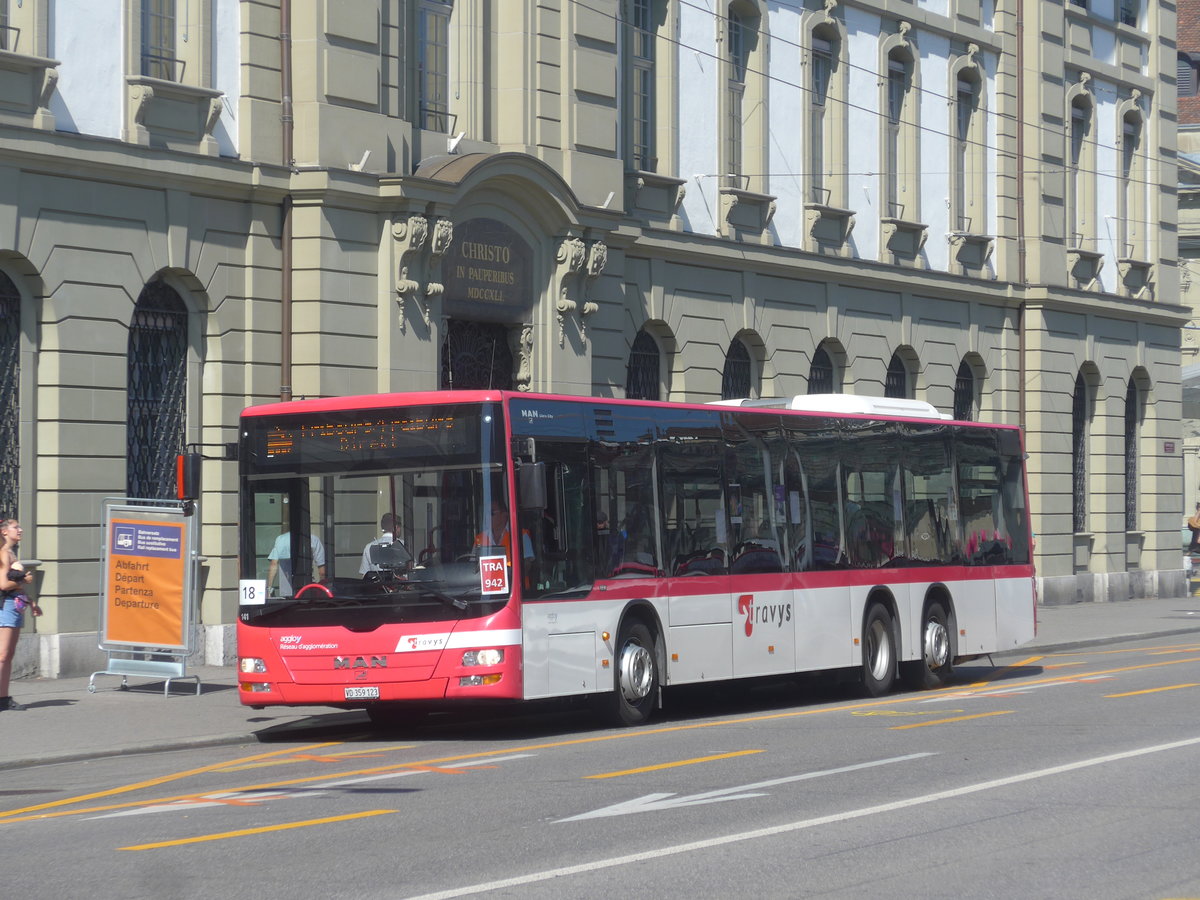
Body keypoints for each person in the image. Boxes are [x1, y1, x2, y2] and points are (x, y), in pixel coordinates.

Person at [0, 518, 39, 712]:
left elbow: (14, 587)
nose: (20, 530)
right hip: (5, 606)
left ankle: (4, 698)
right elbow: (3, 585)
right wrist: (25, 579)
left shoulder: (11, 553)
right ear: (5, 531)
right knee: (3, 654)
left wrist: (31, 602)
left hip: (14, 606)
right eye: (16, 527)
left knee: (7, 655)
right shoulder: (4, 554)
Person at [267, 528, 326, 595]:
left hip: (286, 587)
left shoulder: (281, 539)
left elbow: (273, 565)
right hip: (307, 586)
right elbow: (322, 571)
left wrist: (269, 589)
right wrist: (322, 590)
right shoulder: (313, 539)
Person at [475, 501, 534, 568]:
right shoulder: (479, 539)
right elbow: (473, 567)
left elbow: (527, 566)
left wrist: (506, 572)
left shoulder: (521, 535)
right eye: (485, 513)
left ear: (504, 515)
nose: (487, 517)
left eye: (491, 513)